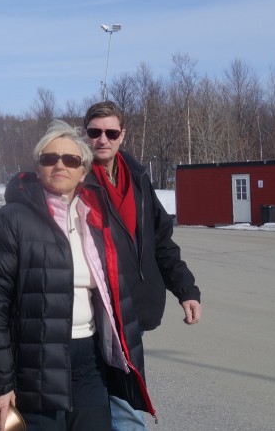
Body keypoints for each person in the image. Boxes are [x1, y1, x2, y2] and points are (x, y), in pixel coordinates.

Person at [0, 120, 152, 430]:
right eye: (49, 158)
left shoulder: (94, 219)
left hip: (89, 361)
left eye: (70, 160)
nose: (59, 165)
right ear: (38, 167)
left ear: (83, 171)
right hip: (34, 364)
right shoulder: (9, 222)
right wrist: (0, 385)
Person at [82, 101, 201, 430]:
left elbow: (161, 240)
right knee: (114, 399)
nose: (102, 139)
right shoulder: (75, 180)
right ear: (85, 134)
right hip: (94, 309)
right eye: (94, 132)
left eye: (111, 132)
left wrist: (186, 290)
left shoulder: (138, 177)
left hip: (132, 306)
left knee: (123, 394)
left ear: (123, 135)